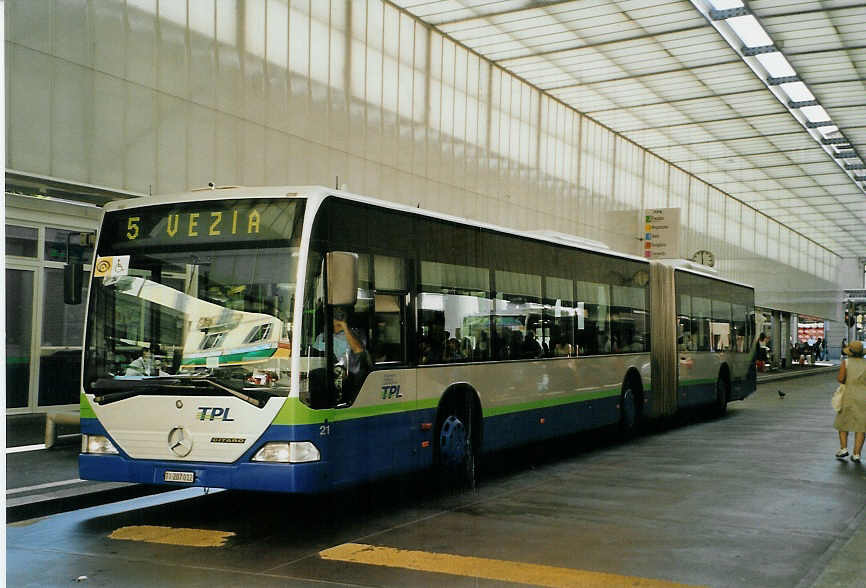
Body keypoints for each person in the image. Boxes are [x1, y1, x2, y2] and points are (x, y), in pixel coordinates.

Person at [314, 306, 371, 403]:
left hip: (349, 379)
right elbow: (314, 358)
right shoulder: (322, 337)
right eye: (335, 314)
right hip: (325, 378)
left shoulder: (356, 334)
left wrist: (344, 326)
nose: (338, 316)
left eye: (341, 314)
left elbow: (358, 350)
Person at [834, 340, 866, 462]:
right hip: (864, 396)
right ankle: (857, 454)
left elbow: (841, 379)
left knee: (843, 422)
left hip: (848, 395)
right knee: (861, 426)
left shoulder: (846, 363)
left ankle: (844, 449)